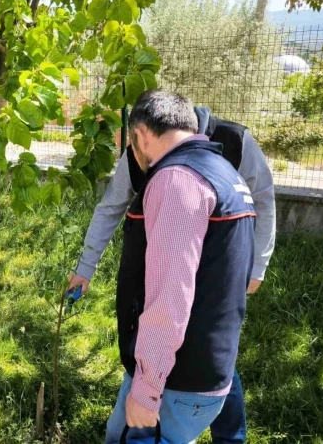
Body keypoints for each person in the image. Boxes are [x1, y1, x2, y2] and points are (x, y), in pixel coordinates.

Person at [71, 104, 275, 444]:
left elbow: (170, 298)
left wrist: (148, 390)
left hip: (176, 372)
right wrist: (84, 268)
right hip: (202, 359)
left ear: (140, 134)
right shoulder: (220, 171)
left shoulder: (177, 180)